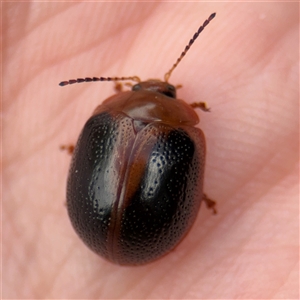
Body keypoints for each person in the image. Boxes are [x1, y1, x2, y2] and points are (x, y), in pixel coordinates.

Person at [3, 2, 298, 298]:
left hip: (100, 229)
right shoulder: (182, 133)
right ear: (179, 104)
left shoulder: (105, 119)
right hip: (131, 233)